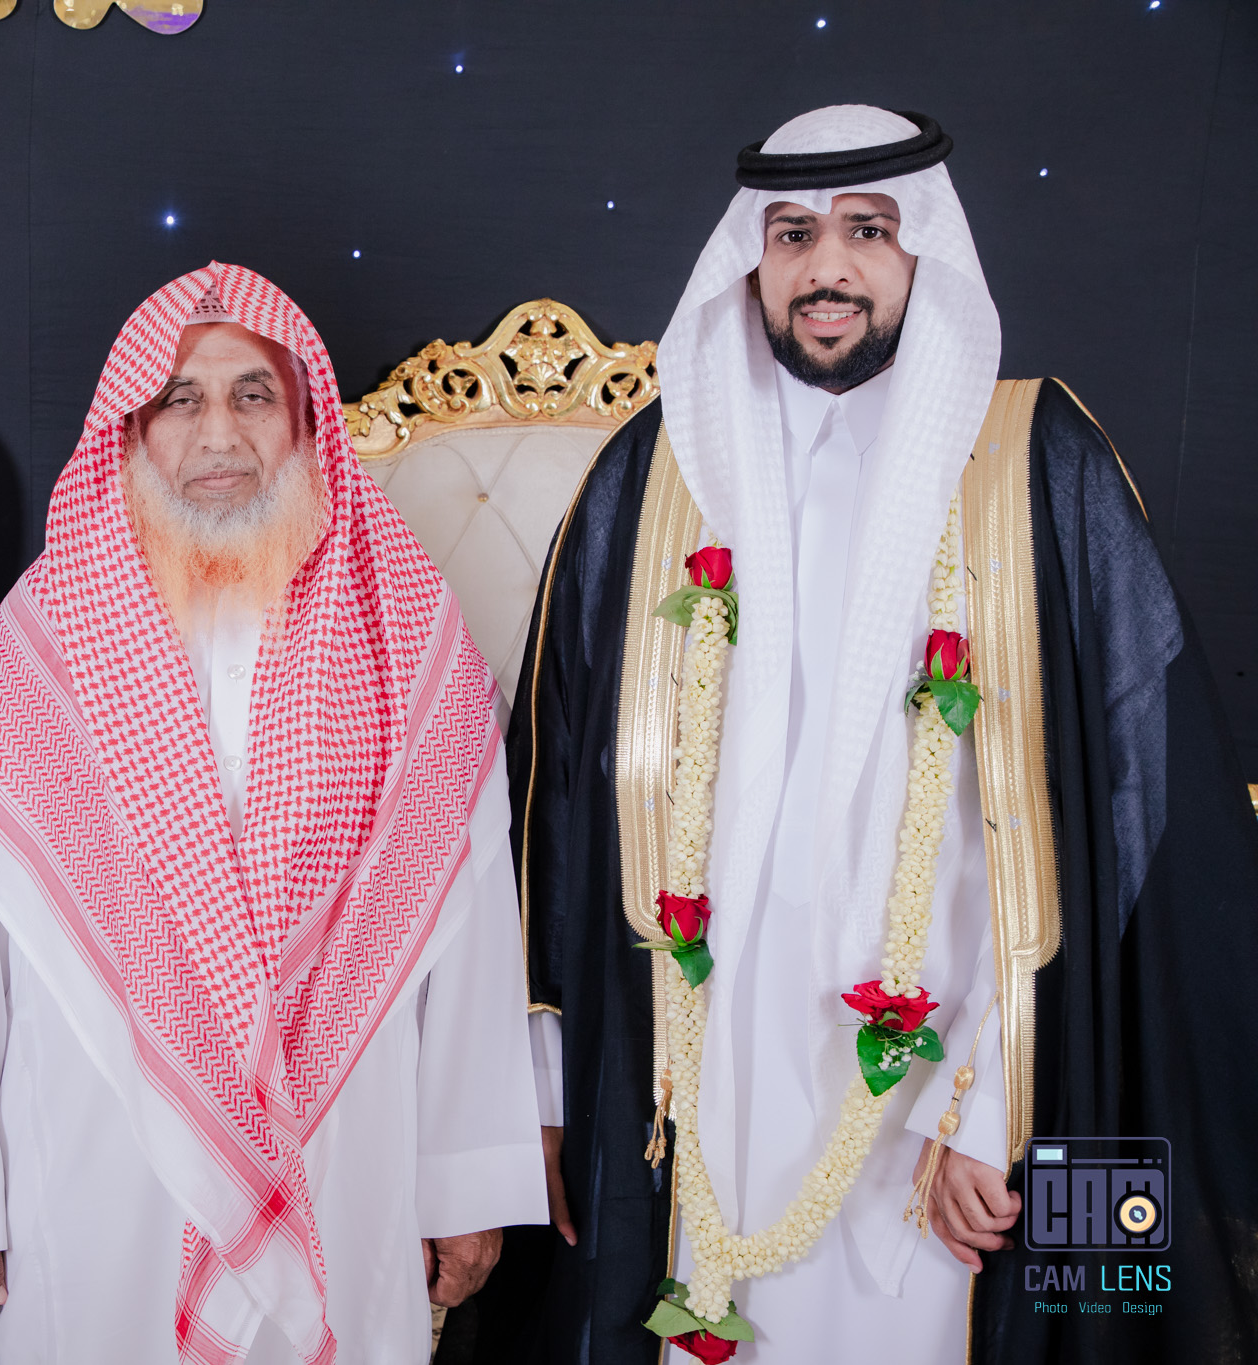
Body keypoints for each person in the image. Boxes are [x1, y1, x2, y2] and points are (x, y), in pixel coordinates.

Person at [505, 105, 1258, 1363]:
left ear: (925, 254)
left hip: (945, 1092)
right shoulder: (653, 474)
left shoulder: (1034, 462)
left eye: (867, 230)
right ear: (751, 259)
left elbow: (1128, 802)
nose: (827, 267)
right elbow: (554, 799)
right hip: (702, 1072)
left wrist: (994, 1100)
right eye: (792, 234)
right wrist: (539, 1092)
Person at [0, 264, 545, 1363]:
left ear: (303, 419)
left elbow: (470, 919)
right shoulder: (39, 641)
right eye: (180, 399)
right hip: (97, 1158)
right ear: (131, 429)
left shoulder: (401, 630)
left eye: (252, 394)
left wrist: (464, 1180)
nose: (218, 434)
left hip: (344, 1156)